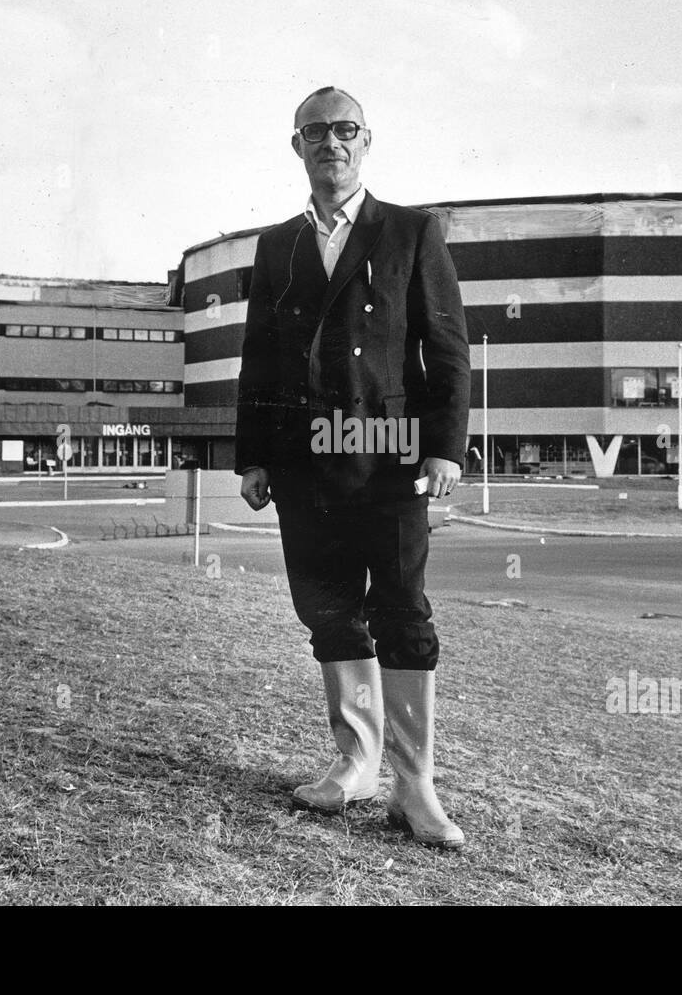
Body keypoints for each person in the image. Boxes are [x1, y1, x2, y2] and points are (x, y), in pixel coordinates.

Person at [235, 86, 470, 849]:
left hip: (392, 460)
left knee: (403, 613)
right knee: (330, 610)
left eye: (345, 130)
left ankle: (415, 786)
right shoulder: (279, 246)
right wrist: (253, 456)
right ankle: (356, 766)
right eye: (316, 131)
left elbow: (448, 347)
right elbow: (259, 359)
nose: (331, 143)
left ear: (367, 141)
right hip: (305, 463)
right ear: (296, 145)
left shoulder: (410, 231)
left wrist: (443, 445)